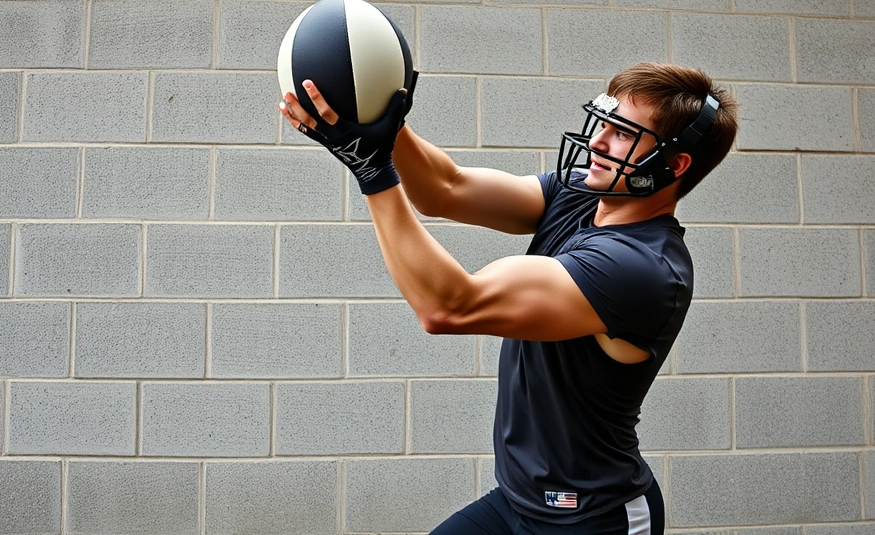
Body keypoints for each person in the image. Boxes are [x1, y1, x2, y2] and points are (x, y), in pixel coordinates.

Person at [279, 62, 738, 535]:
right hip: (518, 501)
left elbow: (449, 306)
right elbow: (445, 188)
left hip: (593, 516)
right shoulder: (580, 195)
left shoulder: (642, 269)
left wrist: (372, 171)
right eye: (605, 123)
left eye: (623, 134)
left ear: (674, 164)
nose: (598, 142)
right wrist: (381, 122)